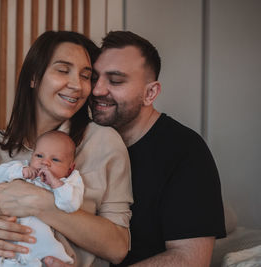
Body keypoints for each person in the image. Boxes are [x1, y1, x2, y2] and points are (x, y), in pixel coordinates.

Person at [0, 30, 133, 267]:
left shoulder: (103, 142)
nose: (76, 85)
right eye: (63, 70)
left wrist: (38, 203)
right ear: (34, 76)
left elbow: (118, 247)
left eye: (85, 76)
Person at [88, 31, 226, 266]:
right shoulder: (82, 140)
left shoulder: (185, 151)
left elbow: (191, 258)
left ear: (150, 93)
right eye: (93, 78)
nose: (97, 90)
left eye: (116, 80)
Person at [0, 130, 84, 266]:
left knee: (50, 257)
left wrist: (55, 183)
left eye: (55, 159)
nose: (45, 162)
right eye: (39, 155)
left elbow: (71, 205)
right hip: (9, 237)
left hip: (40, 241)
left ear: (70, 168)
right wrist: (20, 171)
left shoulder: (70, 182)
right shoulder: (22, 169)